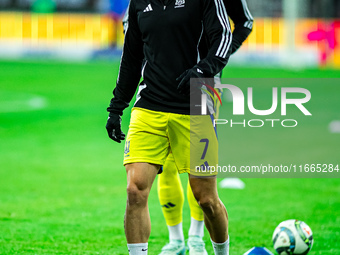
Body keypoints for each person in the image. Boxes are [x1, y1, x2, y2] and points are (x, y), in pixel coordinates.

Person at [121, 1, 253, 254]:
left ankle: (196, 235)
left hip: (203, 85)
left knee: (200, 179)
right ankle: (176, 239)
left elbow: (243, 23)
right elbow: (133, 31)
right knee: (162, 167)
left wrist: (214, 59)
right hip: (157, 90)